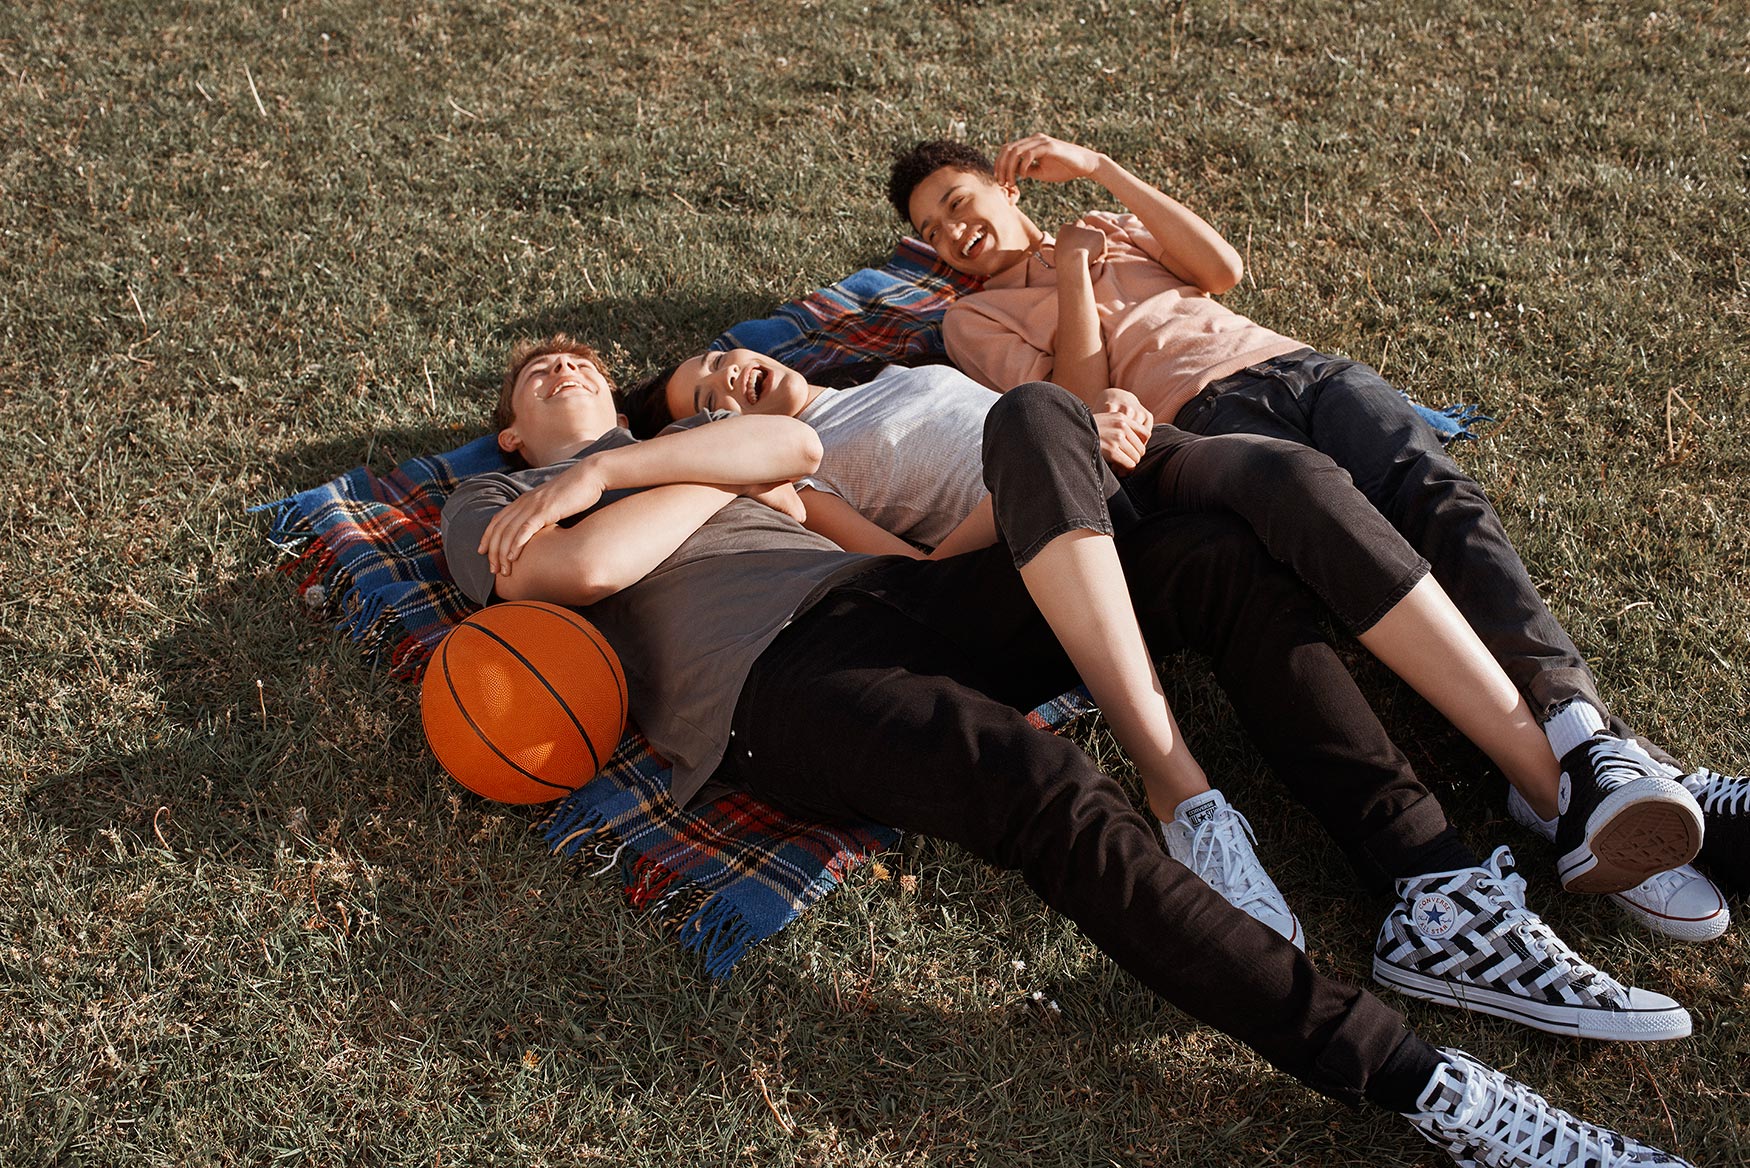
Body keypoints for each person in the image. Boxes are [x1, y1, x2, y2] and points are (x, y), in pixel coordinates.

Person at [437, 335, 1698, 1167]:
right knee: (1040, 786)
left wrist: (640, 468)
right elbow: (585, 571)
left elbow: (797, 449)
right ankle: (1428, 1088)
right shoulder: (487, 504)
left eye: (579, 356)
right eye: (535, 374)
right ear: (508, 440)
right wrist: (626, 483)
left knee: (1205, 556)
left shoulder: (658, 455)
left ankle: (1428, 883)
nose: (562, 363)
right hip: (773, 689)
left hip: (882, 601)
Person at [624, 345, 1713, 1031]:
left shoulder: (902, 364)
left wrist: (1100, 417)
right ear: (702, 436)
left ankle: (1557, 785)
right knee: (1033, 421)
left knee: (1289, 475)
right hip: (1051, 534)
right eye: (704, 400)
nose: (729, 379)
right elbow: (920, 582)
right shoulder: (792, 473)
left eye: (719, 358)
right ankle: (1191, 800)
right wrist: (1051, 461)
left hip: (1125, 456)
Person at [885, 132, 1748, 915]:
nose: (953, 232)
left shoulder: (1112, 222)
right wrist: (1073, 272)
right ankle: (1586, 784)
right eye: (932, 231)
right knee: (1353, 542)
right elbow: (1078, 413)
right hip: (1199, 422)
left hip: (1300, 370)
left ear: (1007, 188)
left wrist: (1105, 172)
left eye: (958, 203)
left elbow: (1220, 270)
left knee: (1440, 501)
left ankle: (1581, 741)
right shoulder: (972, 318)